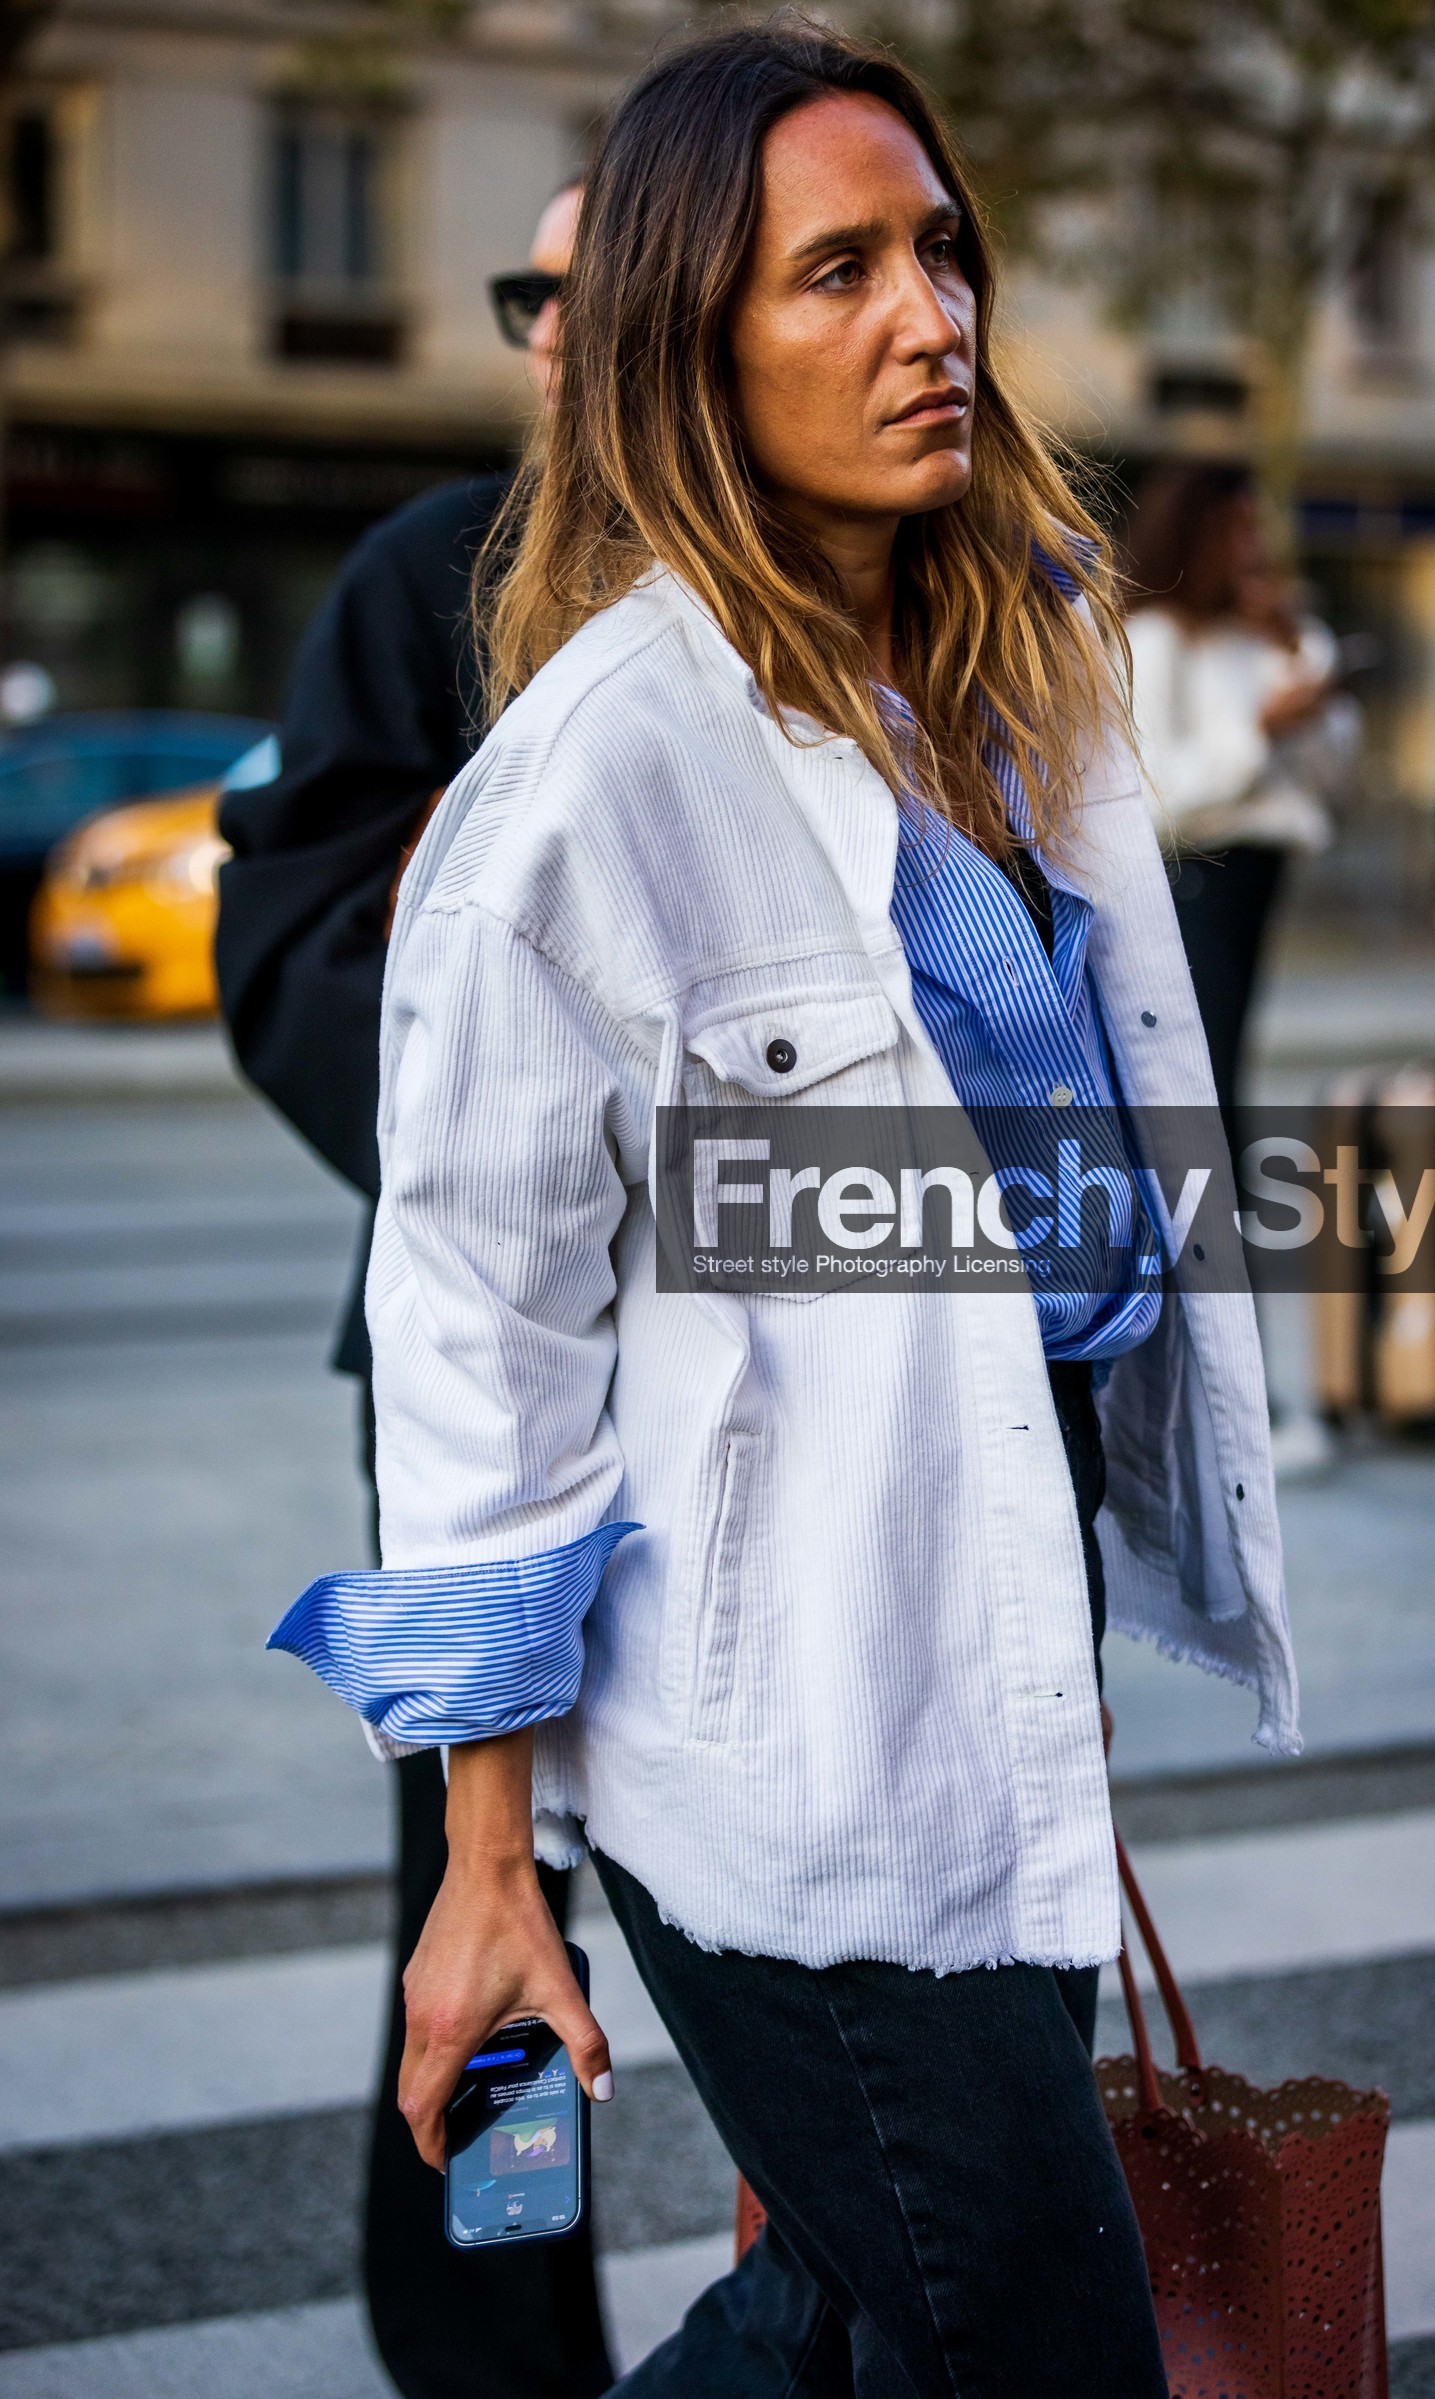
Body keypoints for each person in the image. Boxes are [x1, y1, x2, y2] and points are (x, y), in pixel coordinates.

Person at [268, 24, 1299, 2393]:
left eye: (938, 249)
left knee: (854, 2314)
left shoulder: (1015, 665)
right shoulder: (596, 773)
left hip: (999, 1600)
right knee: (1025, 2337)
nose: (926, 315)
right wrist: (483, 1859)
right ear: (682, 346)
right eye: (832, 270)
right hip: (774, 1700)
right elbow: (477, 1326)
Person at [216, 185, 613, 2399]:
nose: (554, 325)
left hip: (790, 1388)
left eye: (597, 279)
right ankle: (500, 2363)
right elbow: (286, 948)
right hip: (482, 1367)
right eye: (527, 290)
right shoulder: (426, 575)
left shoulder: (822, 572)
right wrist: (545, 1133)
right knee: (487, 1912)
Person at [1121, 460, 1358, 1129]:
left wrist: (1294, 649)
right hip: (1194, 877)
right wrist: (1258, 732)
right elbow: (1151, 797)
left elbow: (1332, 778)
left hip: (1259, 876)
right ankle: (1211, 1220)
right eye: (1235, 530)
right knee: (1203, 1070)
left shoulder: (1269, 637)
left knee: (1229, 1062)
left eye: (1259, 528)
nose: (1253, 549)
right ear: (1193, 536)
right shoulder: (1155, 640)